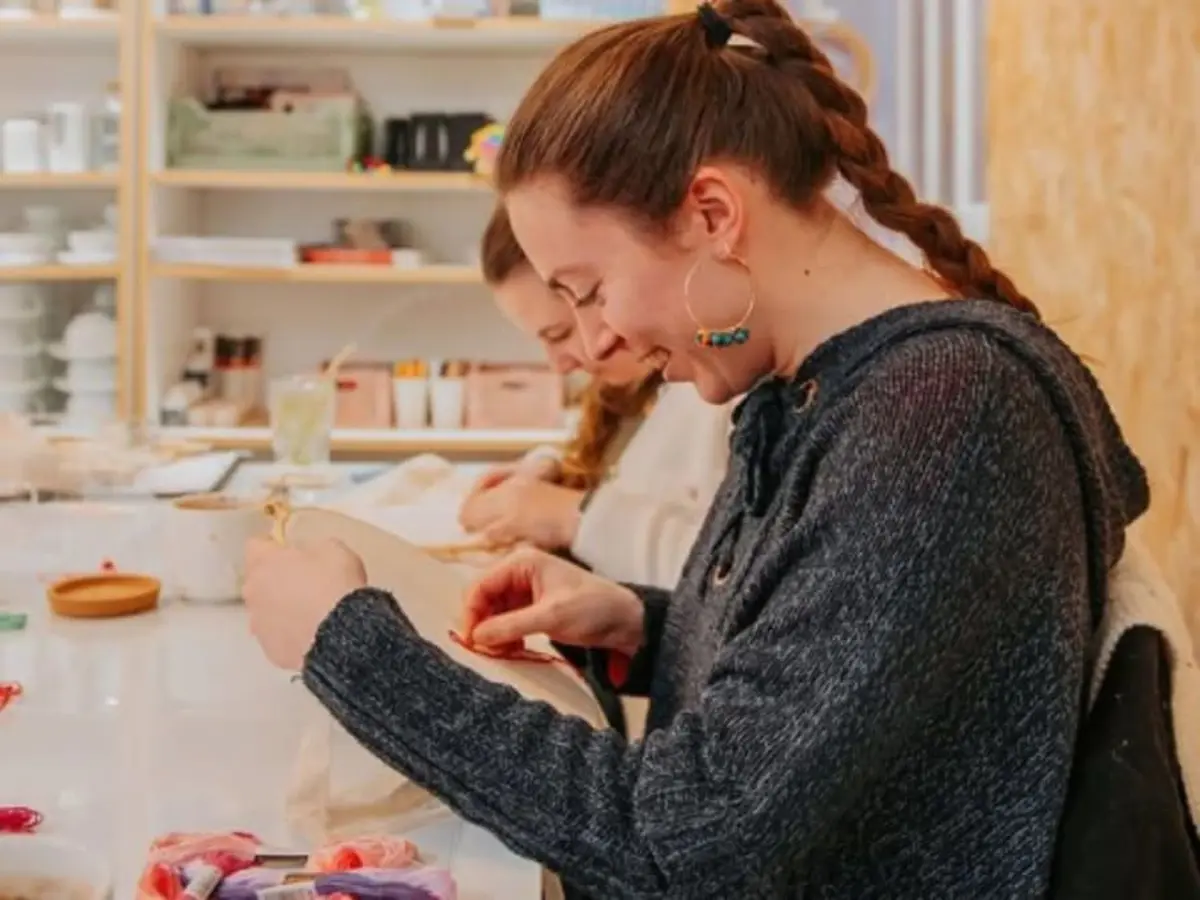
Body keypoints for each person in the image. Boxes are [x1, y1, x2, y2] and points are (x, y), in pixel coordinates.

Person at [241, 2, 1151, 897]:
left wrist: (346, 648)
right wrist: (647, 624)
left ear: (713, 214)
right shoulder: (828, 391)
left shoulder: (942, 415)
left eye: (590, 290)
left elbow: (684, 844)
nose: (606, 342)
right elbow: (847, 684)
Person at [458, 204, 731, 589]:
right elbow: (619, 470)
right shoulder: (635, 398)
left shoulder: (717, 393)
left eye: (558, 334)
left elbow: (730, 574)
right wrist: (548, 474)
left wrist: (566, 515)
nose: (561, 364)